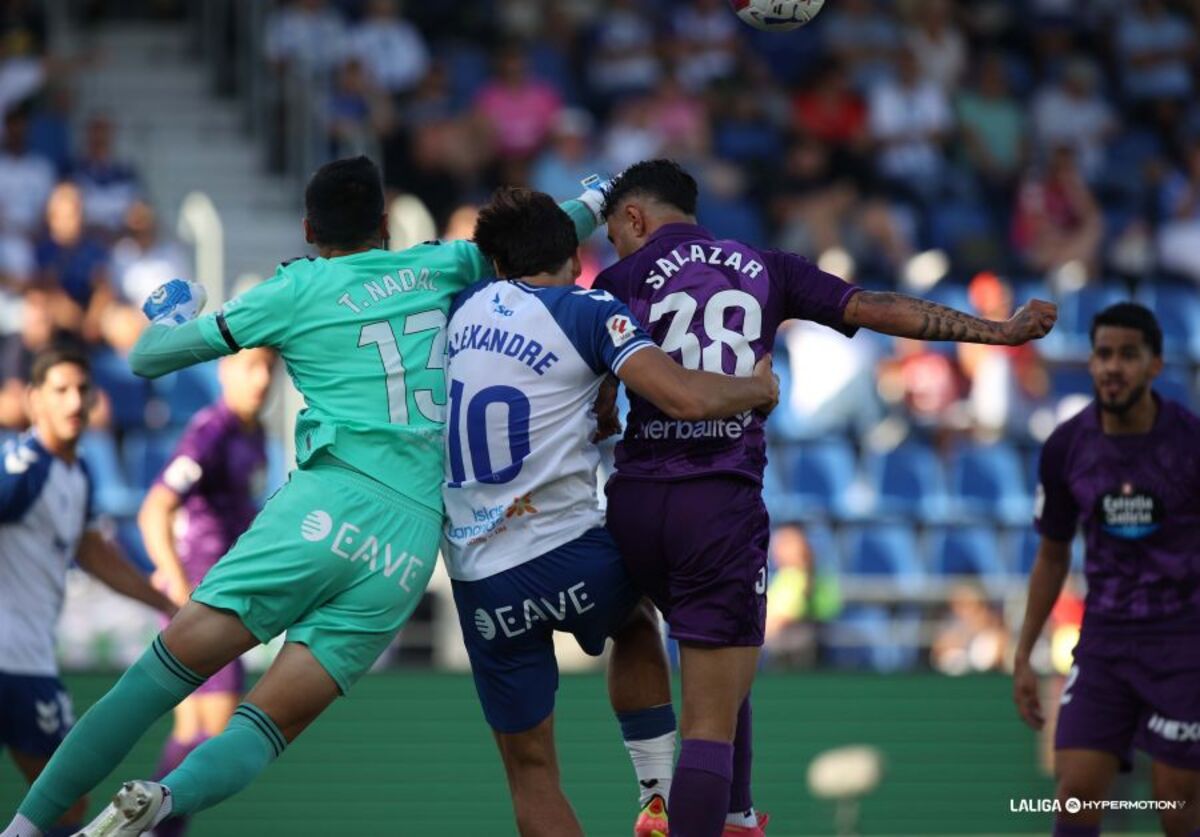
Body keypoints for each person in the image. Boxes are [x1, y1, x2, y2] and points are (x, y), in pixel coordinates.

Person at [1, 155, 609, 837]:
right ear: (385, 223)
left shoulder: (295, 290)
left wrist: (173, 312)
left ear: (308, 228)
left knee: (156, 680)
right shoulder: (443, 265)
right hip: (407, 546)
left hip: (325, 507)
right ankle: (165, 800)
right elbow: (542, 237)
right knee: (267, 724)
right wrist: (599, 198)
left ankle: (22, 831)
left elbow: (146, 358)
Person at [594, 159, 1057, 837]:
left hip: (634, 502)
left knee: (705, 651)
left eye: (615, 234)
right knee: (710, 720)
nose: (616, 246)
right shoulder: (766, 266)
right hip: (716, 505)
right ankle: (708, 812)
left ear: (634, 217)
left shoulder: (615, 281)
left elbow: (600, 405)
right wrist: (997, 332)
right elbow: (877, 309)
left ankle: (730, 813)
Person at [444, 187, 778, 837]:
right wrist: (757, 388)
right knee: (635, 616)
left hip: (481, 578)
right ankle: (655, 794)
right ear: (574, 255)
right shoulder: (589, 309)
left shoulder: (459, 307)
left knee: (533, 776)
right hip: (571, 556)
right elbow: (681, 396)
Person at [1013, 303, 1200, 836]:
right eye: (1103, 354)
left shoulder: (1190, 443)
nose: (1112, 367)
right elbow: (1052, 555)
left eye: (1128, 355)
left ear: (1156, 365)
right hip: (1105, 644)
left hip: (1183, 642)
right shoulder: (1067, 447)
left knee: (1177, 805)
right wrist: (1024, 653)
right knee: (1074, 796)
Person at [0, 347, 176, 837]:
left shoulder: (76, 473)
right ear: (35, 400)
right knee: (63, 802)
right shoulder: (23, 470)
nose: (74, 401)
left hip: (28, 663)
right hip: (13, 665)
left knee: (68, 802)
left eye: (82, 389)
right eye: (60, 390)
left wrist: (166, 604)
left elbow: (93, 553)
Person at [137, 347, 275, 837]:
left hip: (224, 597)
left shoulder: (254, 433)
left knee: (192, 734)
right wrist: (175, 582)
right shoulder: (211, 430)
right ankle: (146, 825)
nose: (261, 380)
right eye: (250, 366)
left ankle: (141, 823)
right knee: (211, 735)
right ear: (225, 370)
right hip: (203, 599)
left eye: (269, 369)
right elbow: (154, 508)